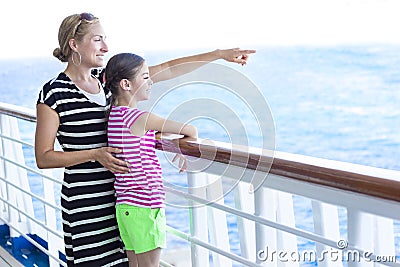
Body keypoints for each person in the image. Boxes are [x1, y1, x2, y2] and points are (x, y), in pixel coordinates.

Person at [34, 12, 255, 266]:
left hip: (126, 201)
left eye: (105, 39)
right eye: (97, 40)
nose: (105, 47)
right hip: (87, 208)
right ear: (74, 44)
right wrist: (94, 154)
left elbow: (169, 69)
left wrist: (217, 54)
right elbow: (44, 157)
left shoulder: (108, 83)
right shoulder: (53, 92)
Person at [105, 52, 196, 267]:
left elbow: (138, 138)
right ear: (126, 84)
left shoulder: (115, 116)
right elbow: (190, 129)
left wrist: (163, 137)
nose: (151, 81)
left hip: (126, 207)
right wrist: (183, 144)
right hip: (146, 206)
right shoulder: (140, 118)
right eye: (145, 77)